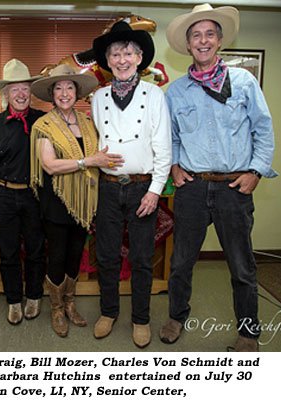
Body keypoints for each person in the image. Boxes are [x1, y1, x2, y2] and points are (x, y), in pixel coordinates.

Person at [161, 4, 277, 352]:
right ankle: (176, 317)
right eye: (196, 35)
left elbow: (263, 129)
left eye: (210, 33)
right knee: (181, 262)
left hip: (233, 187)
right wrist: (175, 167)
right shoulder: (177, 91)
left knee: (242, 266)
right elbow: (173, 137)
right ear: (188, 43)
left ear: (220, 40)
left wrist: (256, 171)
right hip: (192, 188)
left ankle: (248, 333)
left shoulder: (243, 82)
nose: (203, 40)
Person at [91, 21, 172, 348]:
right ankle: (108, 312)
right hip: (109, 186)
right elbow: (99, 140)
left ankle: (141, 319)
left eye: (128, 53)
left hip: (141, 187)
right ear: (107, 61)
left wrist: (155, 191)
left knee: (141, 257)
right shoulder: (98, 97)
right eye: (115, 54)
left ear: (139, 57)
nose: (121, 59)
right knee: (107, 255)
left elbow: (164, 147)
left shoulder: (154, 95)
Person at [30, 64, 124, 337]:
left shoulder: (87, 123)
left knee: (74, 255)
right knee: (57, 256)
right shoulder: (43, 125)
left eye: (69, 87)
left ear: (77, 92)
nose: (64, 92)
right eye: (58, 88)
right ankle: (57, 309)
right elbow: (49, 166)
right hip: (57, 201)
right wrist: (88, 161)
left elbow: (103, 154)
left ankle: (70, 304)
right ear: (51, 94)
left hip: (83, 201)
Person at [0, 59, 46, 325]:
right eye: (14, 89)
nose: (20, 94)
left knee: (37, 250)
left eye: (24, 88)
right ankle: (14, 300)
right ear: (5, 94)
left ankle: (35, 296)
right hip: (3, 196)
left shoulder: (43, 122)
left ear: (30, 91)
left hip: (34, 197)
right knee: (8, 252)